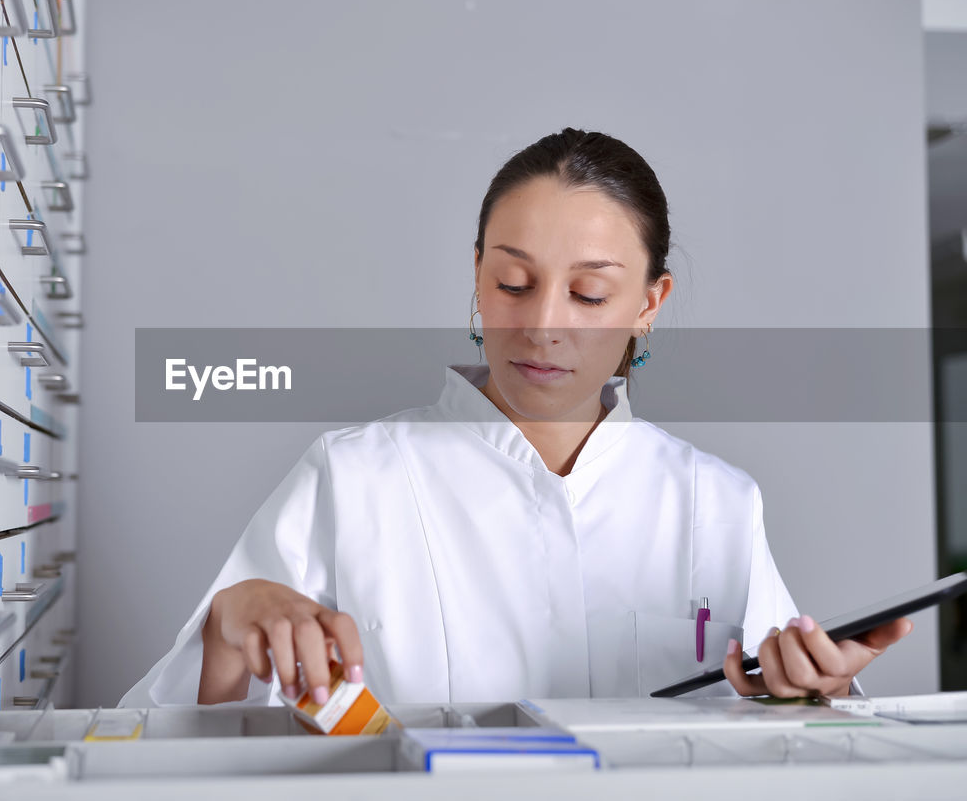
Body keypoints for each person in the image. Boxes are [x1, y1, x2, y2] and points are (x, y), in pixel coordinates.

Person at [120, 127, 912, 708]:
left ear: (648, 304)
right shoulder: (354, 474)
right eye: (512, 282)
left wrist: (810, 688)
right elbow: (177, 735)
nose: (542, 324)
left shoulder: (718, 501)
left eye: (591, 294)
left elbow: (788, 733)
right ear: (475, 274)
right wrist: (230, 623)